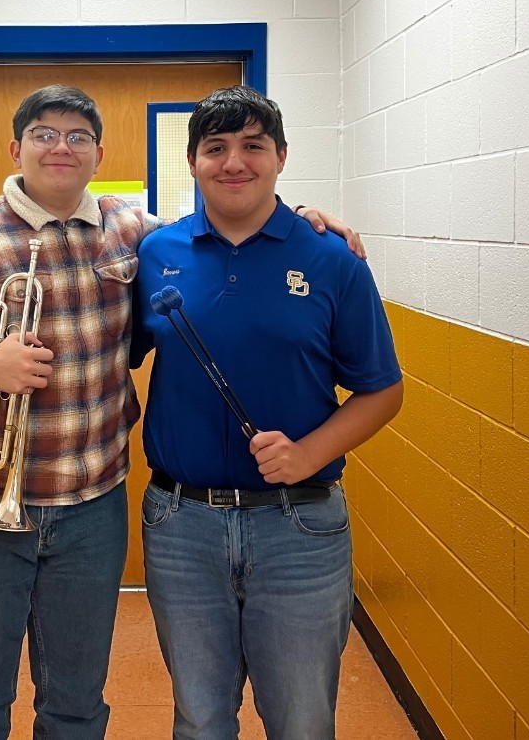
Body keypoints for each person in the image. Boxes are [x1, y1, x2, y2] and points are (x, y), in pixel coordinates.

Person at [0, 84, 362, 740]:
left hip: (90, 507)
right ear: (16, 147)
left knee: (76, 705)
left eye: (77, 136)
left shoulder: (133, 230)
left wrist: (298, 221)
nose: (61, 147)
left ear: (98, 153)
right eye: (44, 133)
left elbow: (224, 227)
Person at [130, 85, 403, 740]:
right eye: (215, 147)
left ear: (280, 156)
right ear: (192, 161)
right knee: (199, 718)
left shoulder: (332, 260)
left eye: (252, 146)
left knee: (302, 722)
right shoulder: (154, 253)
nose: (234, 162)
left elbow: (382, 390)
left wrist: (308, 453)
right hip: (179, 525)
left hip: (299, 529)